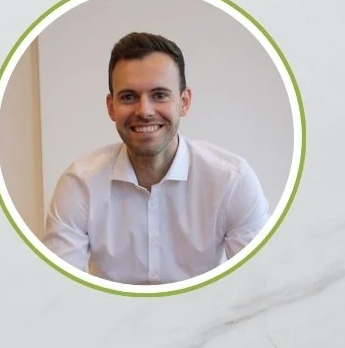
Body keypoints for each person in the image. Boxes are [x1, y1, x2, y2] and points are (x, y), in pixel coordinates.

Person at [40, 31, 270, 285]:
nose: (145, 111)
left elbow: (257, 288)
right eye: (129, 97)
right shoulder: (80, 184)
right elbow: (57, 290)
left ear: (184, 102)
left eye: (159, 95)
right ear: (111, 107)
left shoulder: (232, 180)